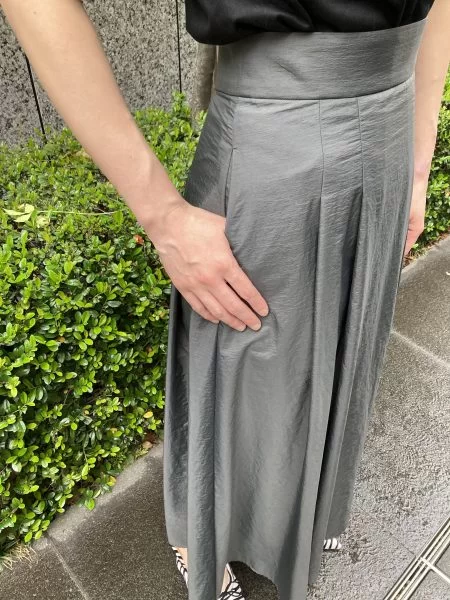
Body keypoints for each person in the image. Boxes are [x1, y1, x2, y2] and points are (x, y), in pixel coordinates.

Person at [1, 1, 448, 600]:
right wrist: (162, 216)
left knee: (349, 345)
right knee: (243, 360)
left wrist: (418, 159)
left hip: (393, 125)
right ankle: (200, 540)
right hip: (278, 142)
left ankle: (300, 512)